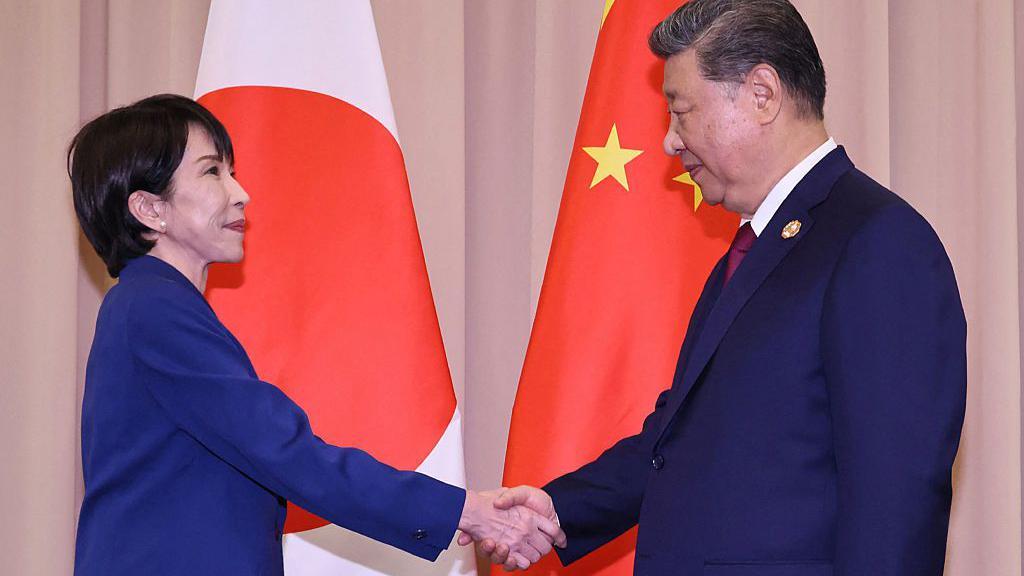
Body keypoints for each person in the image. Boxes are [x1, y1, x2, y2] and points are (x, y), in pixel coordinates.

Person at [487, 0, 967, 574]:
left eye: (681, 111)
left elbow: (897, 502)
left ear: (762, 94)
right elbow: (676, 443)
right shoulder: (751, 253)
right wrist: (556, 510)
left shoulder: (877, 242)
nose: (669, 141)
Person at [69, 94, 564, 575]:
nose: (241, 193)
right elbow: (283, 450)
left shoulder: (150, 306)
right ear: (150, 209)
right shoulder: (155, 308)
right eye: (212, 171)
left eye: (231, 170)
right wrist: (464, 511)